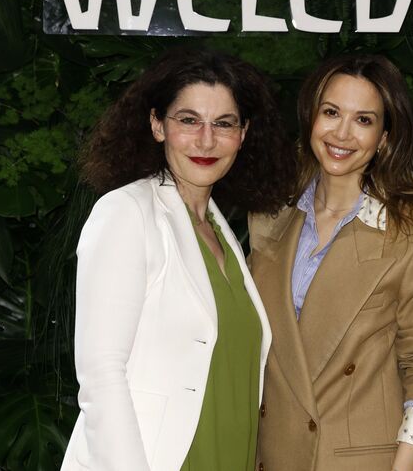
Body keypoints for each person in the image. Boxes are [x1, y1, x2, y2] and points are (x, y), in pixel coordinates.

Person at [61, 48, 295, 471]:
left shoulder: (221, 232)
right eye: (189, 120)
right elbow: (101, 375)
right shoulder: (127, 212)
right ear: (157, 125)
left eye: (223, 123)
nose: (206, 140)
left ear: (243, 134)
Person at [248, 54, 413, 471]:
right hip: (270, 454)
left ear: (385, 137)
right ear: (311, 117)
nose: (342, 133)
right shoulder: (271, 213)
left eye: (363, 120)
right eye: (331, 112)